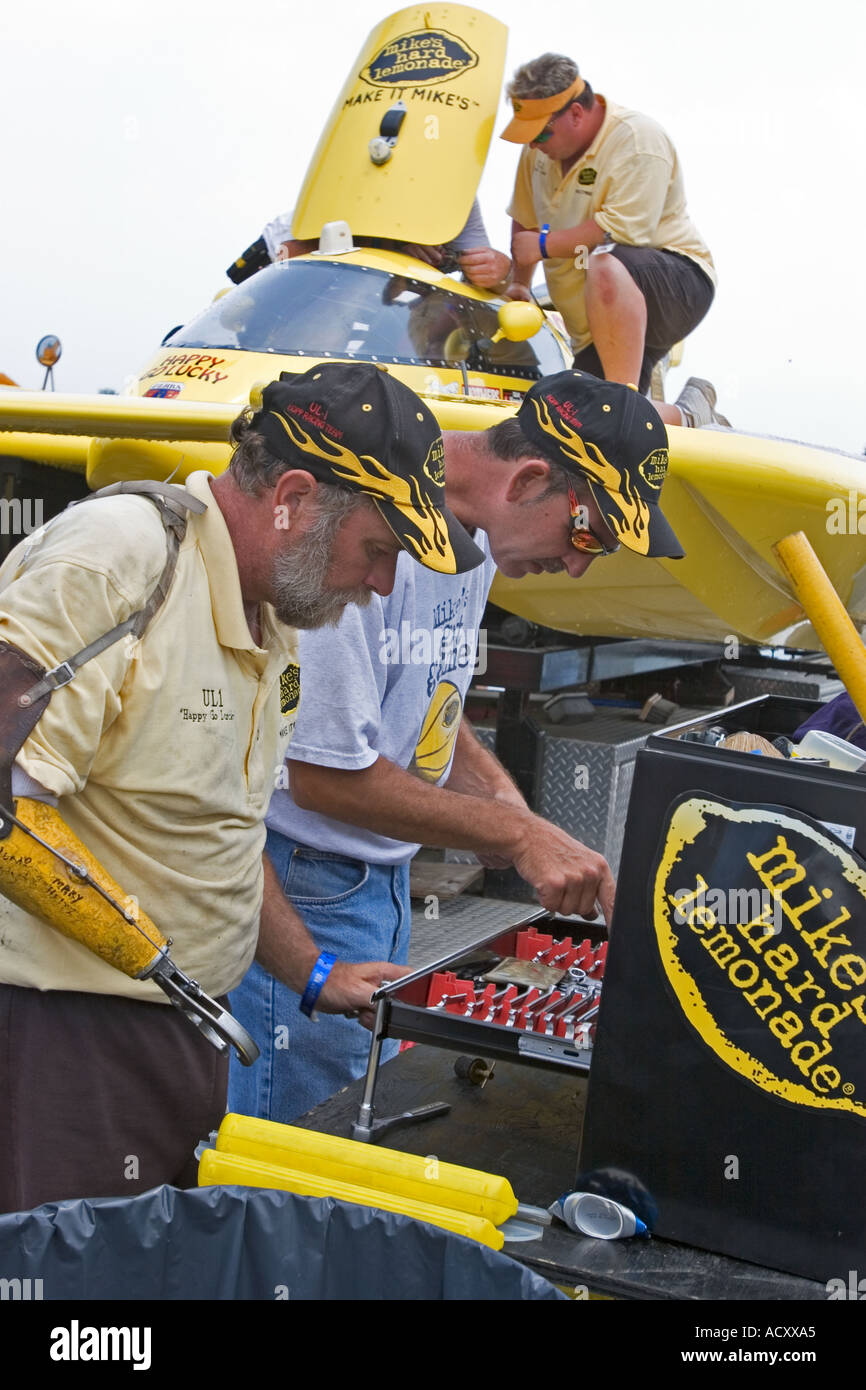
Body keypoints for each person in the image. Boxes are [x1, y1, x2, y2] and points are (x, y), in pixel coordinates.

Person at [0, 362, 485, 1214]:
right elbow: (7, 802)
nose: (380, 586)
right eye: (378, 551)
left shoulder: (276, 623)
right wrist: (153, 959)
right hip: (63, 1035)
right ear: (293, 495)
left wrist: (308, 969)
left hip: (181, 1035)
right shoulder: (123, 559)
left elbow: (218, 832)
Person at [229, 367, 686, 1123]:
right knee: (313, 1152)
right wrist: (516, 831)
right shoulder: (366, 526)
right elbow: (320, 773)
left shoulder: (469, 542)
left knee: (366, 1122)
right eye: (585, 534)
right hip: (307, 883)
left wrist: (515, 818)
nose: (575, 565)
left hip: (374, 881)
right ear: (530, 476)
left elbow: (423, 704)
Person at [500, 53, 727, 430]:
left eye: (541, 133)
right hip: (596, 311)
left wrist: (541, 247)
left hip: (675, 283)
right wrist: (520, 285)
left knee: (605, 261)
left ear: (575, 113)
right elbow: (525, 220)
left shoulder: (638, 140)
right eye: (528, 135)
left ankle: (624, 400)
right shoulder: (536, 153)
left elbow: (620, 232)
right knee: (572, 417)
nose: (534, 144)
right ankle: (689, 415)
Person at [259, 198, 512, 292]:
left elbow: (487, 282)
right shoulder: (358, 187)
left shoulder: (458, 197)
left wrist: (501, 271)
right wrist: (395, 252)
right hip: (285, 258)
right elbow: (294, 262)